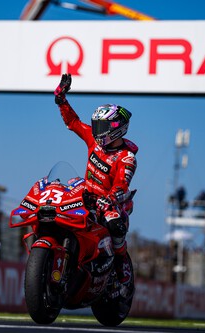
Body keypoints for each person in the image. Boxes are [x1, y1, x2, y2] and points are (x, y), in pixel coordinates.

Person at [54, 73, 138, 292]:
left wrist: (111, 199)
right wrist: (62, 100)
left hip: (111, 203)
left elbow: (122, 184)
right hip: (85, 194)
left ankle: (122, 271)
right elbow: (73, 122)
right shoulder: (94, 139)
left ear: (116, 128)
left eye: (102, 126)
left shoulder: (127, 158)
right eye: (97, 126)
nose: (97, 131)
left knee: (115, 225)